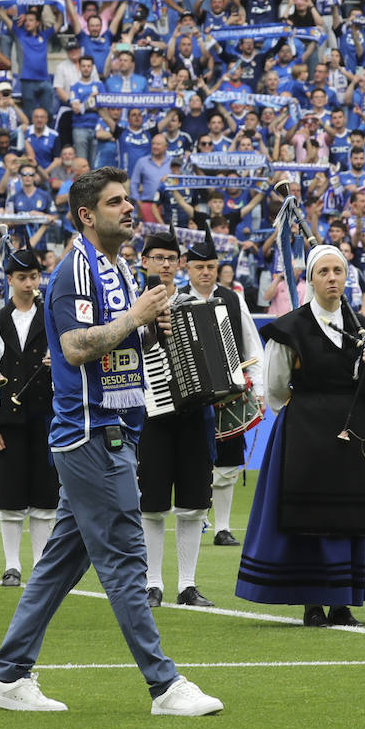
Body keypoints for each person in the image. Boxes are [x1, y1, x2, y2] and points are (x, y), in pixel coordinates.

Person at [0, 167, 224, 717]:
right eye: (117, 202)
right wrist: (135, 317)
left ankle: (8, 676)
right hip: (92, 435)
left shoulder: (113, 267)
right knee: (125, 558)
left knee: (59, 565)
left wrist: (146, 329)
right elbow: (73, 347)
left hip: (113, 431)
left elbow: (113, 343)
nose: (129, 209)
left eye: (129, 201)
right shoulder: (75, 271)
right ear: (87, 216)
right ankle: (164, 685)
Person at [235, 245, 365, 628]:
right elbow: (276, 387)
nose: (331, 278)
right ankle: (312, 602)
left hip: (358, 432)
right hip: (306, 431)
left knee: (352, 516)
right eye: (324, 271)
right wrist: (308, 411)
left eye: (338, 271)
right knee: (308, 514)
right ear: (310, 279)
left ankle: (343, 603)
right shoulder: (289, 327)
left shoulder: (364, 329)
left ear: (346, 278)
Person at [135, 230, 217, 608]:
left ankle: (187, 583)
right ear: (144, 261)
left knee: (194, 502)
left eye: (171, 258)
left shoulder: (196, 304)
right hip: (149, 413)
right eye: (158, 258)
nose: (165, 264)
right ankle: (153, 582)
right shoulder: (131, 305)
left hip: (193, 414)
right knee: (151, 503)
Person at [177, 230, 264, 548]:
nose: (205, 272)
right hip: (188, 397)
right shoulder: (177, 300)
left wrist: (261, 392)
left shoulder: (232, 298)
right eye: (200, 267)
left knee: (227, 462)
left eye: (211, 266)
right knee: (193, 459)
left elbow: (253, 345)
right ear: (187, 267)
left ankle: (223, 527)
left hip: (229, 394)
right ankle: (199, 518)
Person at [0, 241, 57, 588]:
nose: (30, 284)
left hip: (47, 417)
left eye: (34, 277)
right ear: (10, 280)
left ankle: (41, 565)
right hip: (9, 421)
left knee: (45, 496)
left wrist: (56, 362)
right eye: (22, 277)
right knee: (11, 496)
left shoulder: (54, 317)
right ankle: (12, 565)